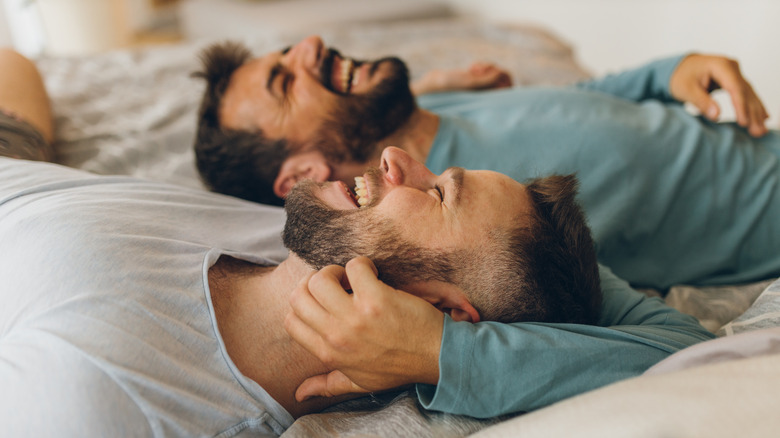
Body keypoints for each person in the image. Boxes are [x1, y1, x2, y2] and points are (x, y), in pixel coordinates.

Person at [0, 48, 712, 436]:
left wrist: (446, 354)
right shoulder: (293, 222)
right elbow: (682, 348)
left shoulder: (98, 403)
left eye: (437, 193)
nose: (396, 159)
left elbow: (698, 370)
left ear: (444, 306)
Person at [193, 36, 780, 291]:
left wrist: (667, 72)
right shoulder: (477, 220)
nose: (311, 45)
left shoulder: (420, 111)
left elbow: (576, 106)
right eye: (284, 80)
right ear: (300, 177)